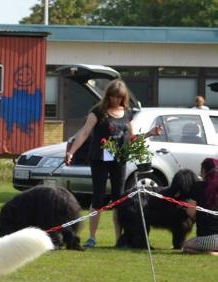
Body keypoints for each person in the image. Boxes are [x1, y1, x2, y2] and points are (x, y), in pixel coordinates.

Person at [64, 79, 161, 248]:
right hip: (99, 159)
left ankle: (119, 238)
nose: (115, 100)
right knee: (98, 197)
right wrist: (71, 152)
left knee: (119, 199)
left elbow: (132, 139)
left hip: (119, 160)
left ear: (123, 98)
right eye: (112, 97)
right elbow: (85, 133)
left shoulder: (127, 113)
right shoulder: (97, 112)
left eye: (118, 97)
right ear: (108, 95)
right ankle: (92, 237)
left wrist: (149, 134)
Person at [183, 158, 218, 256]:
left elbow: (191, 212)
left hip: (208, 239)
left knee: (186, 246)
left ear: (204, 171)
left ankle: (212, 253)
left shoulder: (198, 186)